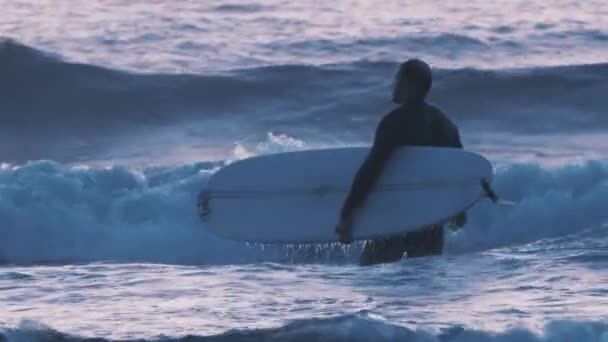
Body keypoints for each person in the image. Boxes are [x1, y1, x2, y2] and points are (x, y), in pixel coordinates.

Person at [335, 58, 466, 266]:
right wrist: (460, 212)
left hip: (396, 219)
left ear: (408, 84)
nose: (394, 85)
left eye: (398, 79)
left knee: (372, 276)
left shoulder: (395, 122)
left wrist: (348, 214)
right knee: (422, 286)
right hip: (431, 225)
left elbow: (372, 169)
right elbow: (460, 172)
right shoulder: (445, 124)